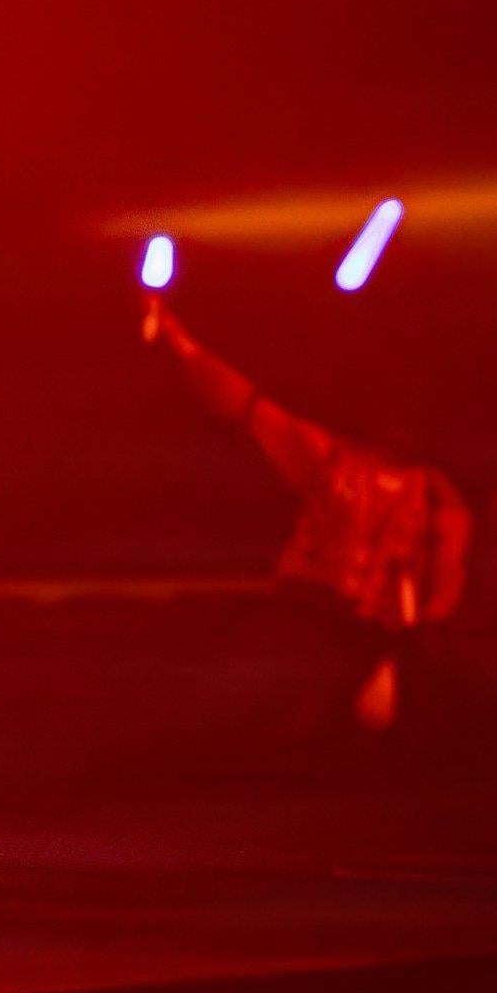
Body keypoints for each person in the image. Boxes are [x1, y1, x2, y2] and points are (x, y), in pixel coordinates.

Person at [142, 291, 471, 731]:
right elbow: (249, 406)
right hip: (306, 617)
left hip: (372, 640)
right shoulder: (331, 458)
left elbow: (444, 590)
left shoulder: (437, 497)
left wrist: (402, 654)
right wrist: (182, 343)